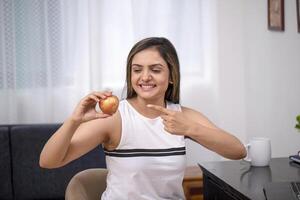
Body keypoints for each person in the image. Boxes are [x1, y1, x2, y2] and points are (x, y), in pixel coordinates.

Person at [39, 37, 246, 199]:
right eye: (137, 70)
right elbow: (48, 161)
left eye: (155, 70)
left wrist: (190, 129)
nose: (145, 77)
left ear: (172, 76)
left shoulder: (183, 116)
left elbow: (237, 151)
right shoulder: (115, 118)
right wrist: (74, 120)